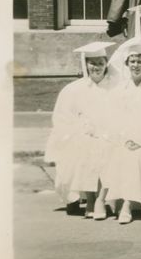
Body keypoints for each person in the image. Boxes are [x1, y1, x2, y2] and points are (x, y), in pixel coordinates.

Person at [47, 41, 119, 219]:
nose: (97, 67)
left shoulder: (117, 87)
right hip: (82, 135)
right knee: (85, 148)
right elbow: (62, 119)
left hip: (110, 134)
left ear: (106, 64)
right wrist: (81, 130)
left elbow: (124, 115)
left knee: (109, 148)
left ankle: (100, 199)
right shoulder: (73, 90)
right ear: (86, 64)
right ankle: (91, 199)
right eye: (92, 63)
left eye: (100, 63)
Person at [103, 39, 141, 224]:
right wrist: (125, 139)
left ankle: (127, 205)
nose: (136, 65)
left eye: (140, 61)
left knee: (136, 158)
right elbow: (114, 119)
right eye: (132, 61)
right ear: (127, 64)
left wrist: (139, 140)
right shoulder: (120, 89)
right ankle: (112, 201)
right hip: (124, 139)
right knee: (117, 155)